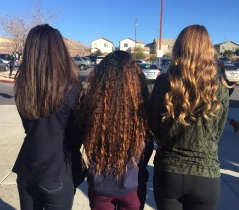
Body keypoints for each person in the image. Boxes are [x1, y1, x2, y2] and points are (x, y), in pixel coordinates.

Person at [150, 25, 230, 210]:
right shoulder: (220, 86)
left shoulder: (163, 82)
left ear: (179, 48)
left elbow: (154, 125)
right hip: (206, 172)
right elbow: (218, 132)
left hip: (169, 170)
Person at [12, 24, 83, 210]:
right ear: (59, 50)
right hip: (58, 169)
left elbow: (28, 127)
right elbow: (78, 134)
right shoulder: (72, 87)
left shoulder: (22, 85)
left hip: (27, 166)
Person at [79, 50, 153, 210]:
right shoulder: (142, 109)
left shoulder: (92, 106)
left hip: (100, 186)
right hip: (133, 186)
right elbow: (147, 147)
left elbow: (85, 139)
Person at [217, 60, 239, 133]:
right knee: (219, 113)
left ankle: (235, 124)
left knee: (219, 113)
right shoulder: (222, 75)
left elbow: (228, 88)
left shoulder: (219, 76)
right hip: (221, 98)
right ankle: (234, 124)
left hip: (219, 98)